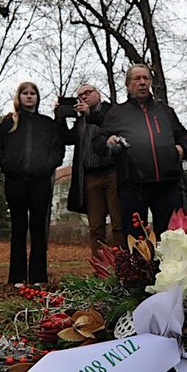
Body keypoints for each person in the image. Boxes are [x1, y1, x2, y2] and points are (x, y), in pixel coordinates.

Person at [0, 81, 70, 286]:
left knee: (38, 229)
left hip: (40, 182)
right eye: (25, 93)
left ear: (37, 97)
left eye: (33, 93)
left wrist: (47, 166)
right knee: (18, 228)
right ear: (19, 96)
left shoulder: (47, 123)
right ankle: (16, 277)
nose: (29, 96)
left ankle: (38, 277)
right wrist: (9, 165)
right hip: (15, 182)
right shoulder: (9, 122)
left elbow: (58, 150)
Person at [98, 64, 187, 240]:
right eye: (137, 79)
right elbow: (99, 141)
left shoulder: (164, 111)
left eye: (146, 79)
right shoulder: (116, 113)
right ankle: (139, 268)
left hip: (167, 184)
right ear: (128, 84)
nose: (142, 83)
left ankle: (169, 269)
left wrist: (182, 148)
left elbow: (183, 135)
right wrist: (107, 142)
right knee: (135, 240)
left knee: (171, 238)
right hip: (134, 186)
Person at [65, 84, 121, 252]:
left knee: (118, 224)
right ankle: (100, 270)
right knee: (96, 227)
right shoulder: (80, 120)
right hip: (90, 177)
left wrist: (90, 114)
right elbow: (67, 139)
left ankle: (123, 267)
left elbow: (112, 125)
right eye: (80, 95)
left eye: (88, 93)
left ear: (98, 94)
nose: (84, 97)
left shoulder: (111, 111)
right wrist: (60, 117)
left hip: (112, 174)